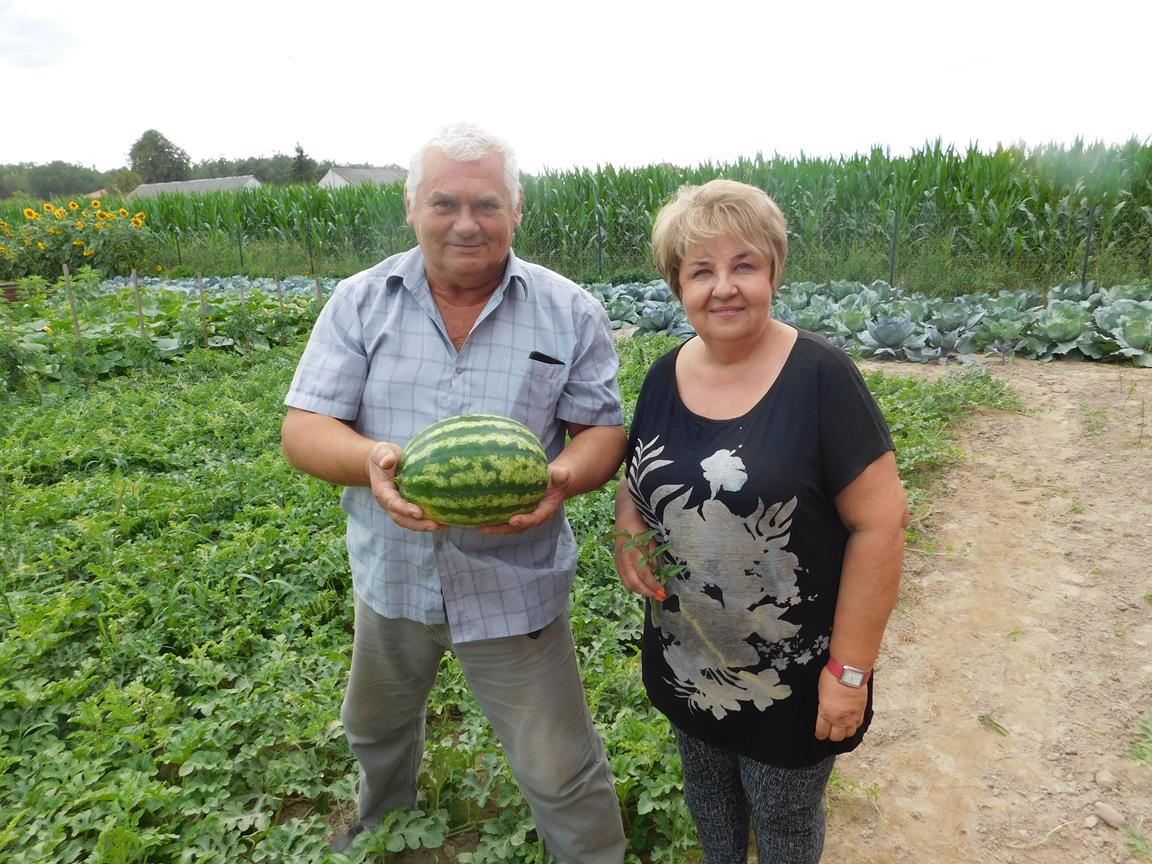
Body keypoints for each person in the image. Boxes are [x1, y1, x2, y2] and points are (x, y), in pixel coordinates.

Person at [281, 123, 628, 862]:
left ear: (516, 211)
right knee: (375, 728)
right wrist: (371, 459)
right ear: (411, 208)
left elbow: (602, 433)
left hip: (514, 584)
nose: (466, 223)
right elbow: (304, 427)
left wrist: (560, 477)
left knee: (558, 764)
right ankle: (384, 835)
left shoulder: (569, 309)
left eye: (486, 204)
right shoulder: (360, 301)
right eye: (444, 203)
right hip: (392, 577)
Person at [613, 179, 909, 863]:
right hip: (688, 662)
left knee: (783, 824)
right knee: (711, 809)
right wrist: (630, 527)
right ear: (676, 284)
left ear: (773, 269)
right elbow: (642, 474)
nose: (724, 287)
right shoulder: (663, 375)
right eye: (701, 270)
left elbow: (881, 527)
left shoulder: (821, 378)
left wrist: (851, 672)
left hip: (791, 677)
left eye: (744, 264)